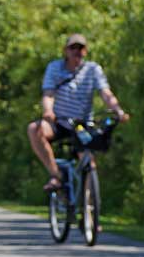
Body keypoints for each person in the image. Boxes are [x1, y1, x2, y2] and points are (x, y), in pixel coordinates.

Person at [27, 33, 130, 193]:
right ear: (65, 50)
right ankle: (56, 175)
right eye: (72, 48)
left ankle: (89, 204)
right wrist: (48, 111)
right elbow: (48, 93)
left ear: (85, 51)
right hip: (59, 121)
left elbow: (106, 93)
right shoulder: (54, 68)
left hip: (81, 125)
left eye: (80, 48)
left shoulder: (93, 69)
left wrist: (119, 111)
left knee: (89, 161)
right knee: (34, 129)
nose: (76, 51)